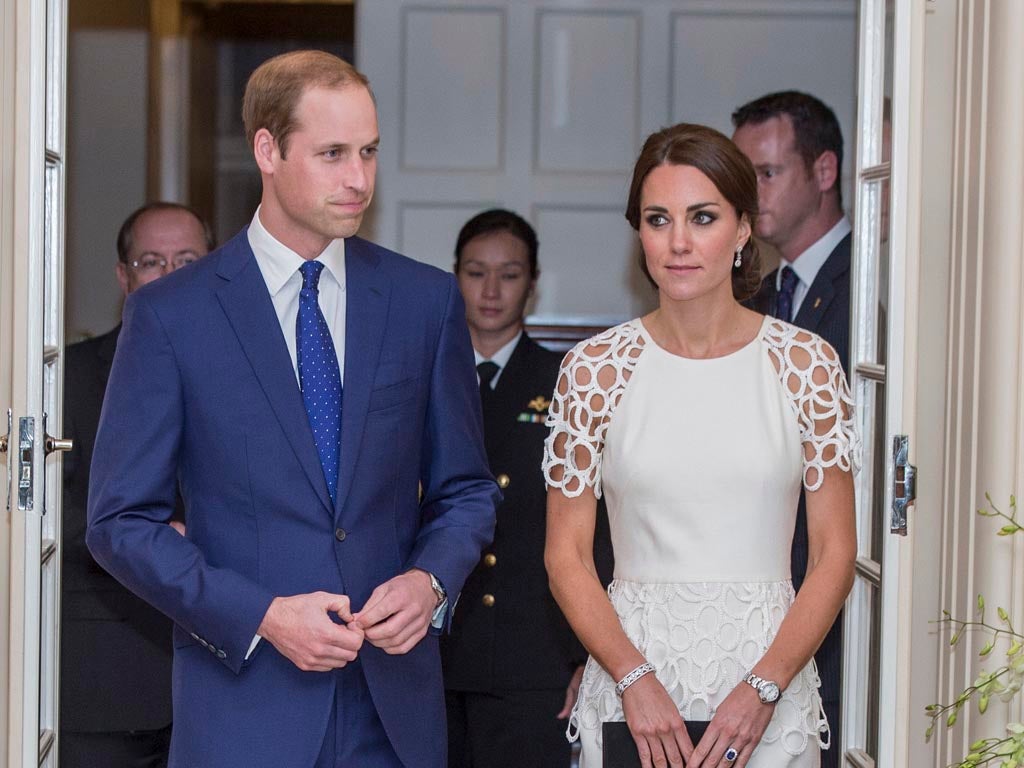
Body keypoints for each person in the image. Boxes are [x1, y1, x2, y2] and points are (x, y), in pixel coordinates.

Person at [86, 50, 499, 768]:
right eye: (333, 153)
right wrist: (263, 617)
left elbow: (465, 490)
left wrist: (430, 579)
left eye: (369, 152)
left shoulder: (423, 302)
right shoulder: (171, 317)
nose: (359, 179)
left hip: (393, 714)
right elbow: (119, 522)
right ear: (267, 150)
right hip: (242, 711)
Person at [543, 123, 858, 768]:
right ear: (640, 233)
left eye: (703, 217)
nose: (679, 242)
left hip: (769, 686)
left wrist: (765, 686)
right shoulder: (595, 369)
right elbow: (566, 556)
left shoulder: (806, 365)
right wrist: (633, 678)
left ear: (743, 229)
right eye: (659, 219)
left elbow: (834, 553)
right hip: (635, 686)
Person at [442, 209, 612, 767]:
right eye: (475, 272)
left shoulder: (565, 382)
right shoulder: (424, 377)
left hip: (533, 651)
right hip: (433, 648)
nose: (491, 291)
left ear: (532, 284)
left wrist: (592, 650)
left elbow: (601, 528)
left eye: (509, 275)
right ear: (454, 277)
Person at [60, 201, 213, 768]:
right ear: (124, 277)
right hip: (107, 676)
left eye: (187, 260)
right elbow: (44, 515)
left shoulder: (253, 373)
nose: (170, 277)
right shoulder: (66, 378)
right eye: (152, 262)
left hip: (227, 676)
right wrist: (149, 537)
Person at [732, 91, 851, 766]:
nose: (750, 193)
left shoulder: (870, 286)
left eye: (767, 173)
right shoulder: (754, 296)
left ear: (825, 171)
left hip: (829, 581)